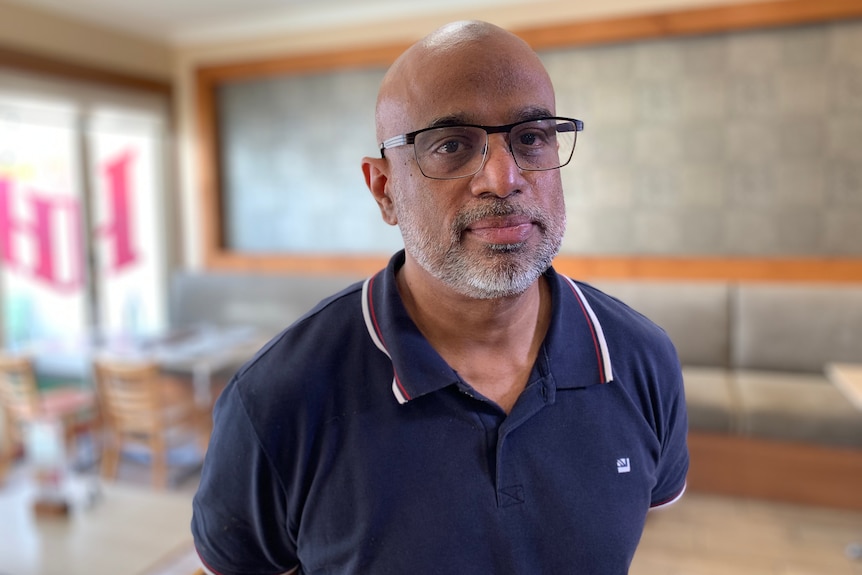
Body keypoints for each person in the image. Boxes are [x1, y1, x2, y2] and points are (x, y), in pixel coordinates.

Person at [191, 20, 688, 575]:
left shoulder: (641, 359)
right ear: (384, 191)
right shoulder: (276, 399)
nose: (503, 178)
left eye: (530, 138)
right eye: (451, 145)